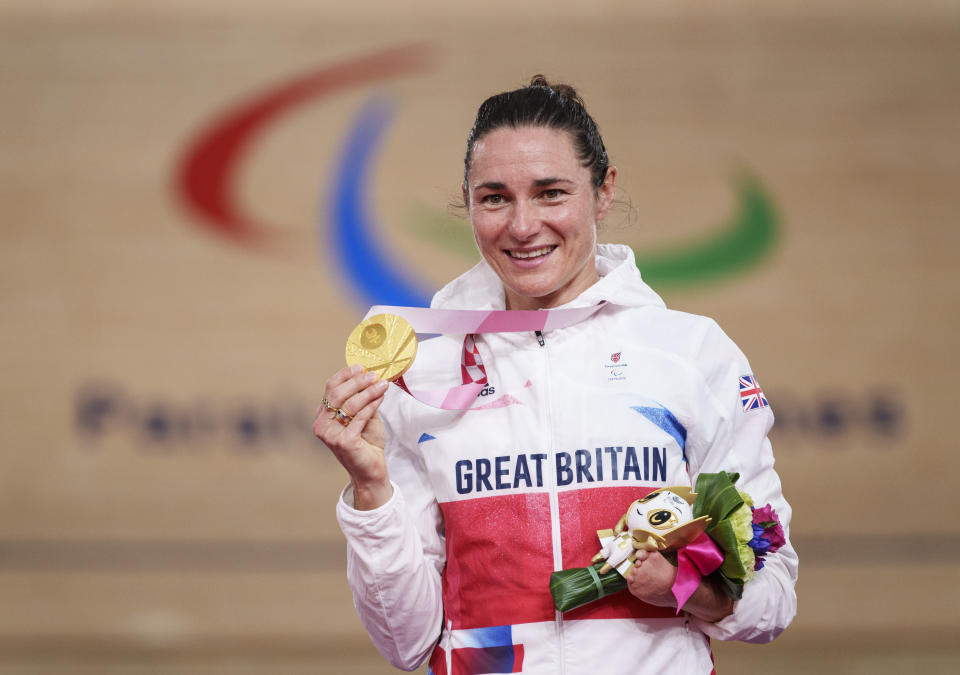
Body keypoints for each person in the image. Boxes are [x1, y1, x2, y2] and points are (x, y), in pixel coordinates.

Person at [314, 76, 797, 675]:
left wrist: (684, 588)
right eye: (494, 198)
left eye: (550, 193)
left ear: (603, 191)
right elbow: (407, 642)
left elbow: (773, 596)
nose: (522, 226)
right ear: (468, 202)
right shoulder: (424, 370)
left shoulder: (692, 354)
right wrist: (369, 493)